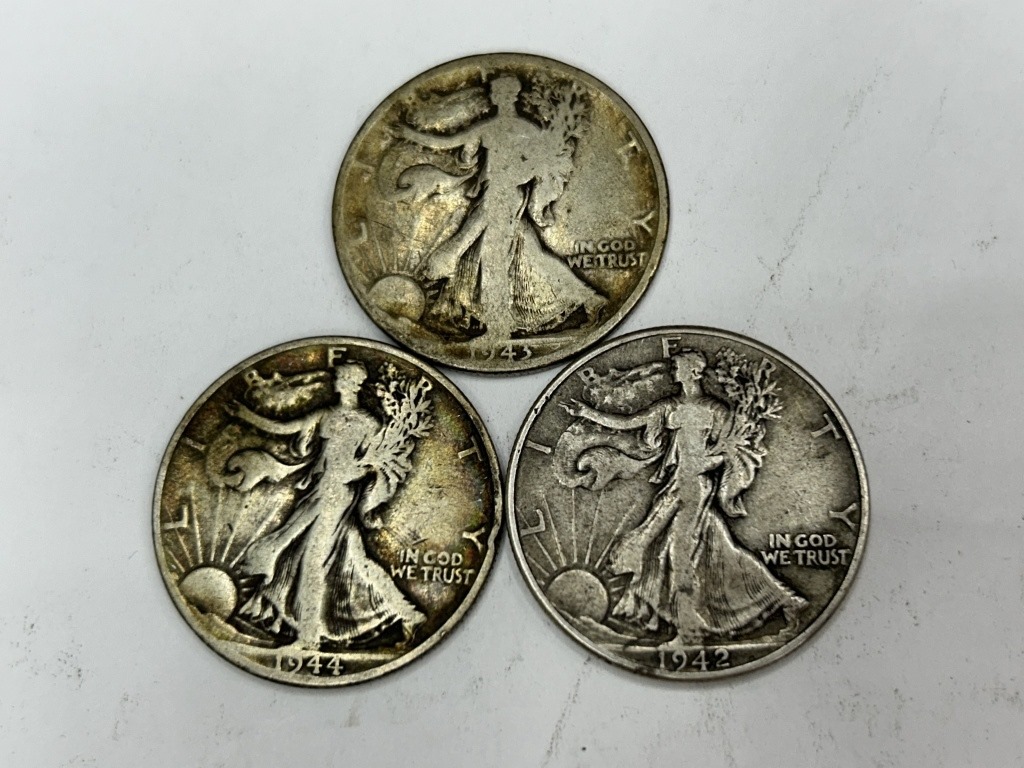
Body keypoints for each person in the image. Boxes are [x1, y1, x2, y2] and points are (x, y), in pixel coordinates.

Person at [562, 351, 806, 645]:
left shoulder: (715, 410)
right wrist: (586, 413)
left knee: (678, 557)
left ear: (693, 372)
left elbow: (731, 450)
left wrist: (706, 463)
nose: (674, 371)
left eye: (678, 367)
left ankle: (689, 632)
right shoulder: (669, 407)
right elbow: (628, 422)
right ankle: (786, 601)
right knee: (718, 551)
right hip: (677, 484)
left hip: (696, 487)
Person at [226, 363, 424, 650]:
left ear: (356, 384)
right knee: (356, 559)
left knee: (312, 560)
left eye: (345, 378)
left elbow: (374, 464)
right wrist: (247, 416)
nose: (340, 382)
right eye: (340, 378)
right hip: (321, 491)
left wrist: (359, 472)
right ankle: (410, 614)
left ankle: (308, 638)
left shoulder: (368, 423)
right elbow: (285, 428)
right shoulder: (326, 415)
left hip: (339, 495)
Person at [397, 75, 604, 341]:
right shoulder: (520, 129)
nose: (499, 97)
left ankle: (498, 328)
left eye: (500, 93)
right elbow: (450, 144)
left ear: (504, 97)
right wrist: (412, 135)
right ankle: (590, 300)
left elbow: (536, 164)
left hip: (501, 197)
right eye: (498, 93)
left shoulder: (505, 129)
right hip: (503, 195)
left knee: (493, 259)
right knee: (531, 253)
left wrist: (511, 178)